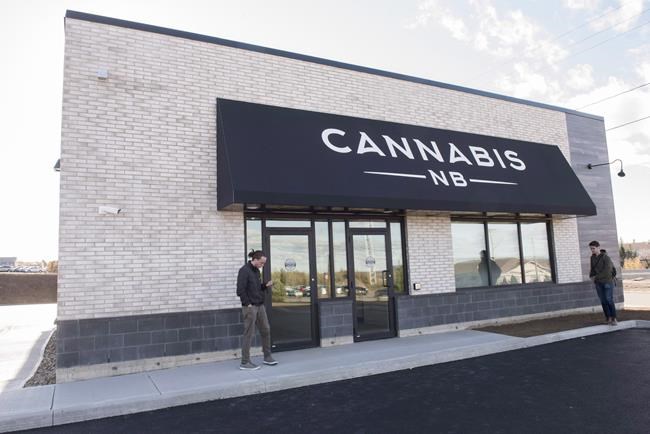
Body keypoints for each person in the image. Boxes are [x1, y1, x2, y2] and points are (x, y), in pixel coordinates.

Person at [237, 250, 278, 370]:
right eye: (261, 262)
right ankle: (245, 362)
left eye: (264, 263)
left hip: (260, 306)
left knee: (266, 330)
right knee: (249, 334)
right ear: (255, 260)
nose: (262, 265)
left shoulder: (256, 271)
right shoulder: (244, 270)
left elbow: (256, 288)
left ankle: (267, 357)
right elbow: (240, 290)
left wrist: (265, 285)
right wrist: (248, 304)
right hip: (250, 307)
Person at [588, 241, 617, 325]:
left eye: (593, 248)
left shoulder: (606, 257)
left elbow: (607, 271)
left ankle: (614, 318)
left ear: (598, 247)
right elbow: (592, 269)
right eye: (591, 249)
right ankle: (608, 318)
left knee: (609, 300)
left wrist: (596, 277)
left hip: (607, 282)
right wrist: (591, 276)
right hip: (598, 283)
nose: (592, 250)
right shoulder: (592, 258)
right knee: (603, 301)